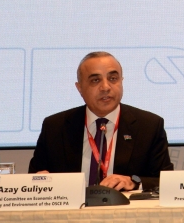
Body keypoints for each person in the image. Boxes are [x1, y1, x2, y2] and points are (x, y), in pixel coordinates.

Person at [28, 51, 173, 191]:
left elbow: (165, 181)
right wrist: (39, 181)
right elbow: (33, 179)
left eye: (113, 78)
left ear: (121, 82)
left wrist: (134, 182)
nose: (105, 87)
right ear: (79, 88)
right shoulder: (55, 127)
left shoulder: (149, 126)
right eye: (95, 80)